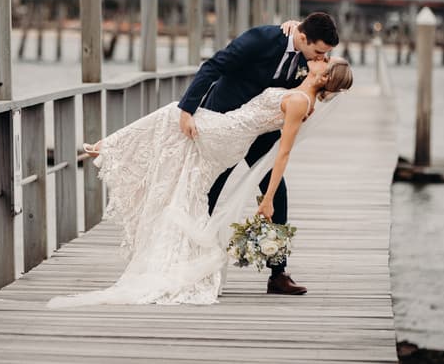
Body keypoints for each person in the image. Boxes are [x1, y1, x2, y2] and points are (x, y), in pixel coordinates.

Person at [49, 54, 353, 308]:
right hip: (229, 127)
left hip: (231, 133)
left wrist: (268, 197)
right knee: (182, 167)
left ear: (324, 77)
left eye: (325, 61)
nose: (318, 59)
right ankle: (115, 154)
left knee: (173, 114)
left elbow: (282, 154)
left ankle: (109, 148)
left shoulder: (301, 101)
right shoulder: (300, 90)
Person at [178, 12, 339, 295]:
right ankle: (191, 265)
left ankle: (278, 273)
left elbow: (316, 82)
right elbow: (213, 66)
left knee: (277, 193)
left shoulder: (308, 58)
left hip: (261, 130)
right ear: (303, 38)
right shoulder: (260, 39)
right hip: (229, 122)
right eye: (318, 51)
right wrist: (187, 110)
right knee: (211, 191)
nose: (321, 59)